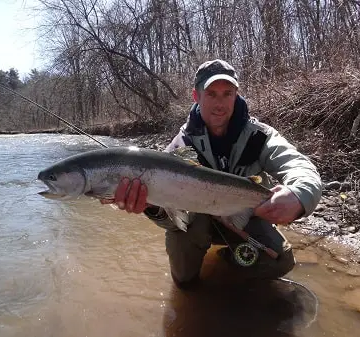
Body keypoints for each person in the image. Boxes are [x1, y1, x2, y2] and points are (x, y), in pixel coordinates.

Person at [103, 59, 322, 290]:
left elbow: (299, 166)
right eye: (211, 94)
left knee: (281, 261)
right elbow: (172, 219)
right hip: (195, 222)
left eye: (227, 93)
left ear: (236, 95)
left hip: (245, 217)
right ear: (196, 96)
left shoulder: (260, 136)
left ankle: (226, 263)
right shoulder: (180, 146)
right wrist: (150, 207)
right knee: (184, 281)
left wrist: (299, 194)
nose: (220, 103)